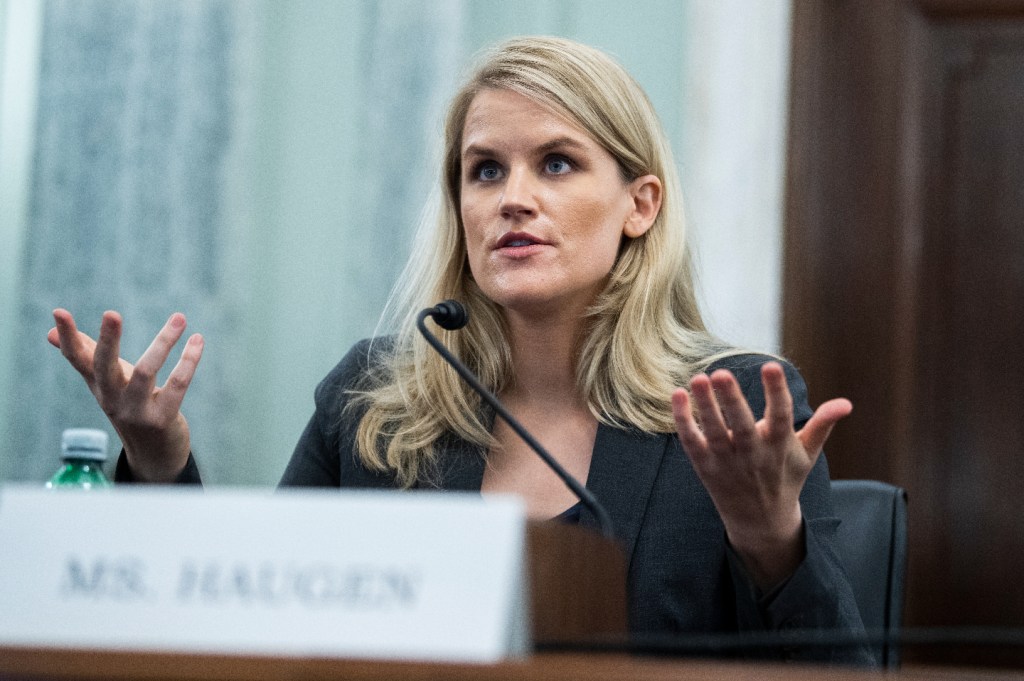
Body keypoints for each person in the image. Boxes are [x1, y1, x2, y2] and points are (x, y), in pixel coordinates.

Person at [49, 36, 870, 664]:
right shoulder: (373, 400)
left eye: (556, 163)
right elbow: (250, 631)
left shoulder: (732, 412)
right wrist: (158, 460)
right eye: (485, 171)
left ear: (640, 204)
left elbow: (844, 671)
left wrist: (770, 538)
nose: (514, 198)